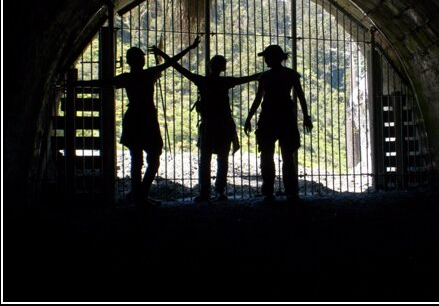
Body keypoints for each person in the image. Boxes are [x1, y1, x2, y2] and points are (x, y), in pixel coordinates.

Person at [79, 37, 200, 207]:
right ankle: (141, 195)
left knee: (137, 161)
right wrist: (189, 47)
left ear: (128, 61)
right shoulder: (148, 74)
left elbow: (102, 83)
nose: (143, 59)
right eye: (141, 57)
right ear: (140, 60)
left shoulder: (128, 77)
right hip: (148, 119)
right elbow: (172, 62)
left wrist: (74, 83)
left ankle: (139, 196)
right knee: (153, 159)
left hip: (133, 118)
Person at [151, 47, 260, 202]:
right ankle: (220, 191)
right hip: (223, 124)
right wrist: (264, 74)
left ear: (210, 66)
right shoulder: (225, 81)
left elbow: (180, 68)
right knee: (222, 159)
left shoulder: (202, 81)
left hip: (209, 124)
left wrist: (162, 55)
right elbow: (249, 78)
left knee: (205, 159)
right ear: (223, 68)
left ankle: (204, 191)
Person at [244, 45, 313, 202]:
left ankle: (268, 190)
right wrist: (306, 117)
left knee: (267, 155)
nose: (265, 60)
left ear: (273, 58)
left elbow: (258, 99)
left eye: (267, 57)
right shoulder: (291, 75)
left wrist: (249, 118)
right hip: (286, 118)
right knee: (288, 156)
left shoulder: (265, 77)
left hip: (268, 118)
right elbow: (300, 96)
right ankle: (291, 191)